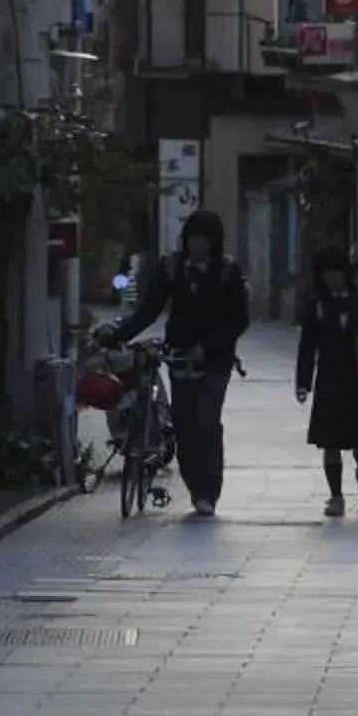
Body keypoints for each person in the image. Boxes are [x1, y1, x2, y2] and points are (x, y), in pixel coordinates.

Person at [91, 210, 249, 516]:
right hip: (179, 355)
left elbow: (238, 320)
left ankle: (209, 490)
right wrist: (118, 333)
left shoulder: (227, 272)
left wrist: (210, 346)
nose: (196, 245)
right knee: (184, 425)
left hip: (215, 360)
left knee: (206, 420)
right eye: (192, 238)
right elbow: (149, 310)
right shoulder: (172, 267)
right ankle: (195, 488)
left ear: (214, 243)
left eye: (203, 240)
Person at [295, 246, 358, 519]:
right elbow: (307, 345)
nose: (331, 279)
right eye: (326, 274)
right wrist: (303, 382)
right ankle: (336, 496)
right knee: (330, 440)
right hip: (329, 377)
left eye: (335, 273)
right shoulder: (316, 305)